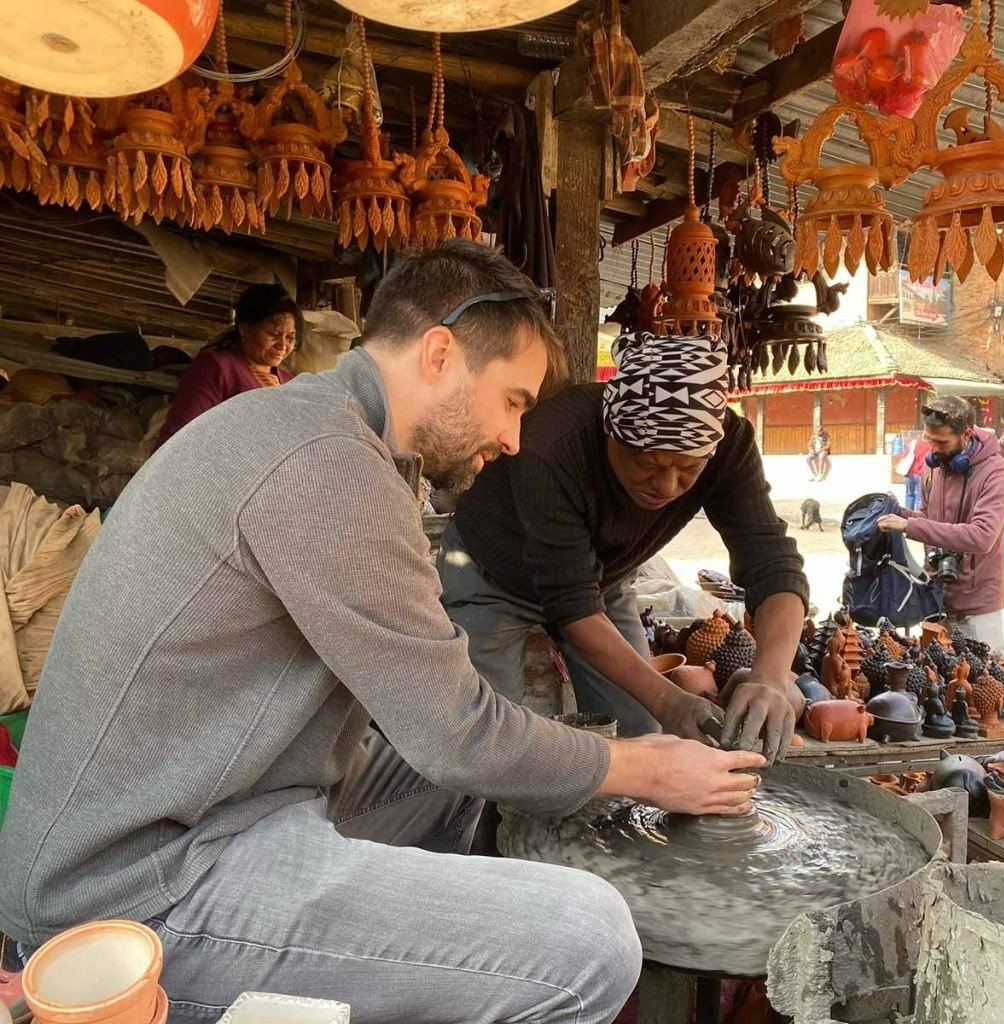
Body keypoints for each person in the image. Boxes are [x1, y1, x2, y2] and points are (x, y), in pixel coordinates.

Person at [0, 243, 766, 1024]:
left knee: (463, 778)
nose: (513, 438)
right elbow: (459, 733)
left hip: (224, 804)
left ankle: (407, 969)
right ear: (439, 355)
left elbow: (446, 721)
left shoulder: (325, 429)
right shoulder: (327, 460)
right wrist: (642, 767)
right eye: (512, 401)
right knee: (590, 940)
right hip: (133, 893)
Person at [439, 331, 809, 756]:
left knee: (638, 728)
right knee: (482, 738)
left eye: (688, 469)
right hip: (491, 571)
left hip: (600, 579)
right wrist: (668, 699)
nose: (666, 485)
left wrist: (770, 678)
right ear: (609, 433)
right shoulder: (551, 443)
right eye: (647, 464)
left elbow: (773, 565)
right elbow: (571, 604)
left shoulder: (728, 446)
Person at [879, 395, 1004, 650]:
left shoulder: (997, 471)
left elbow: (983, 536)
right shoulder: (933, 466)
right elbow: (929, 519)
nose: (933, 449)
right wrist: (898, 514)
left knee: (984, 674)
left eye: (941, 442)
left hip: (977, 606)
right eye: (929, 440)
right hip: (936, 599)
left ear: (966, 435)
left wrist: (910, 526)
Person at [155, 283, 299, 447]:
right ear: (244, 330)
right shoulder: (215, 369)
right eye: (273, 334)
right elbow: (179, 436)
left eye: (290, 337)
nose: (282, 345)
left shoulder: (290, 382)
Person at [899, 435, 929, 512]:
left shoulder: (914, 443)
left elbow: (903, 455)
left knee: (909, 494)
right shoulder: (930, 446)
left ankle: (908, 513)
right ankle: (917, 514)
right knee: (920, 496)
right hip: (921, 474)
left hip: (909, 473)